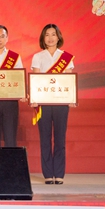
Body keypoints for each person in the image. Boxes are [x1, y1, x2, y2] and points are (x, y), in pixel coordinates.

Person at [31, 24, 75, 185]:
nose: (50, 38)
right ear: (43, 38)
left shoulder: (66, 57)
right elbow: (36, 80)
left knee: (60, 138)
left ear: (58, 37)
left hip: (61, 103)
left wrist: (71, 98)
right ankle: (48, 174)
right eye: (47, 35)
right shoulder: (38, 57)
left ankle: (59, 173)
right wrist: (34, 98)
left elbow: (69, 80)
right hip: (43, 103)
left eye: (53, 34)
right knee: (45, 138)